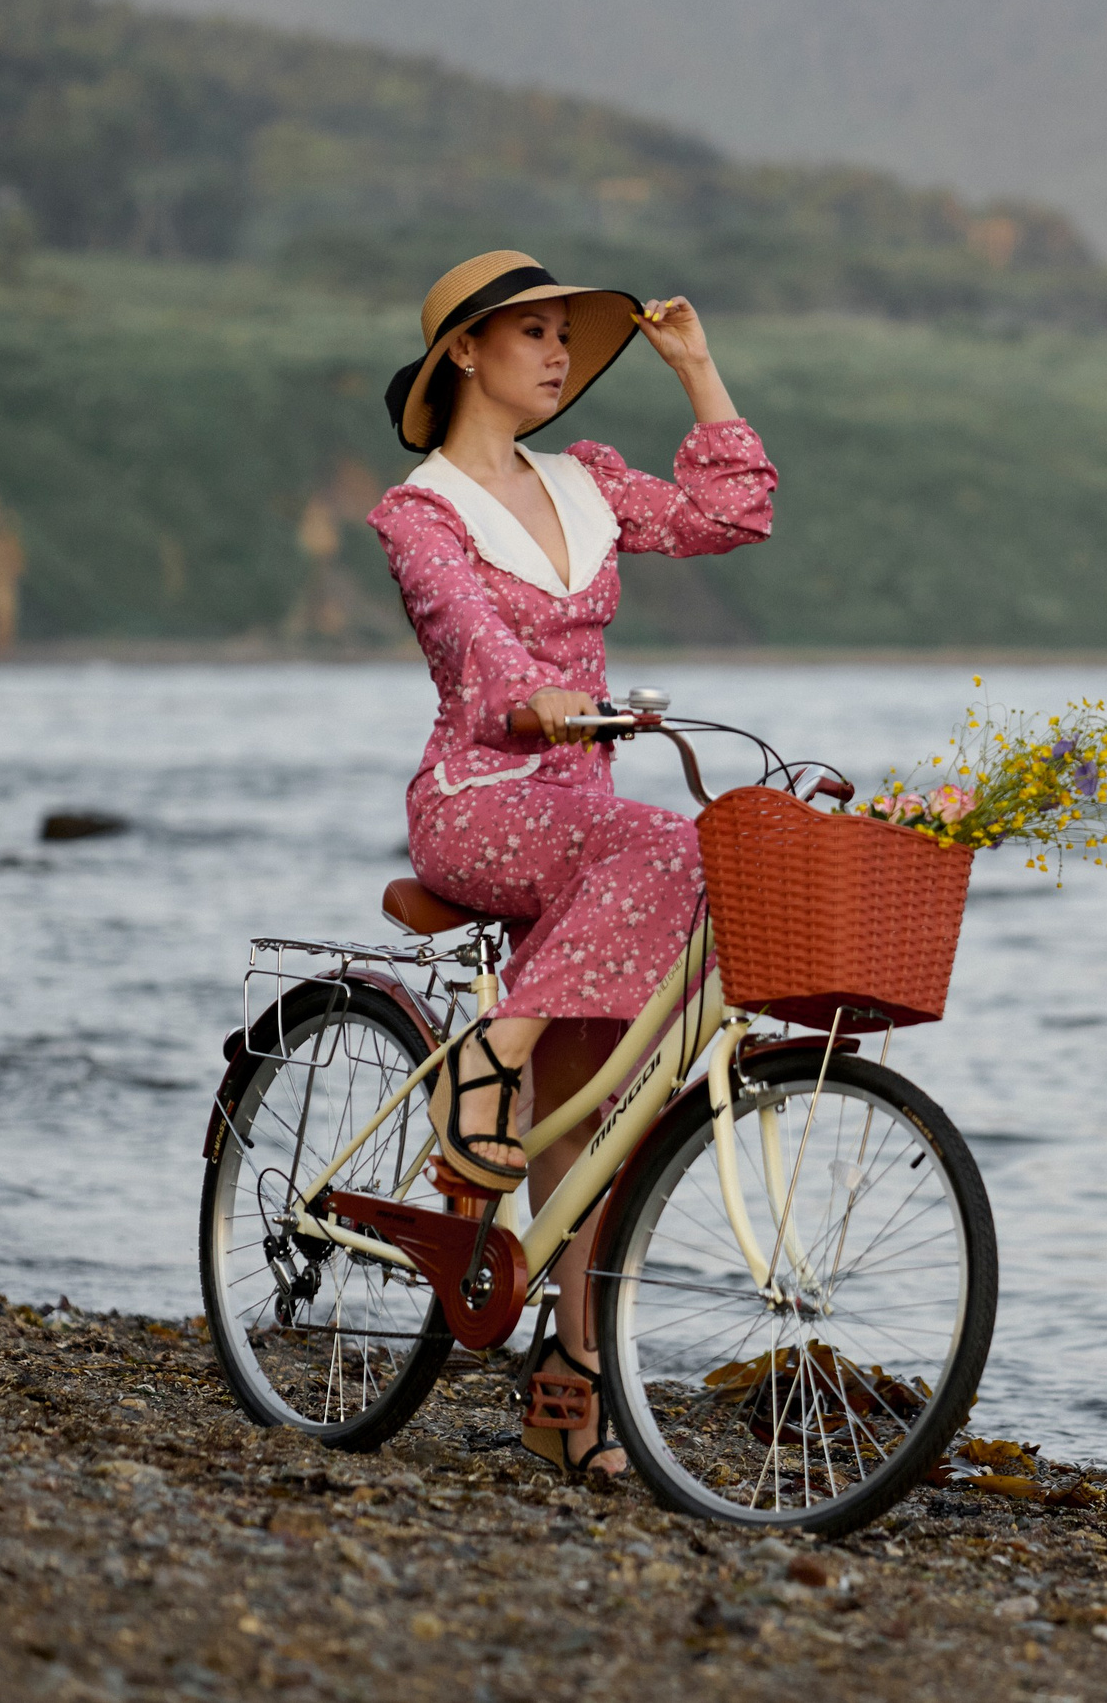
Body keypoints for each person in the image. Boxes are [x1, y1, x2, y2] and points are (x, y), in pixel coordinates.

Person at [366, 250, 777, 1480]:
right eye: (531, 333)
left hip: (588, 827)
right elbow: (465, 632)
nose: (556, 354)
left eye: (565, 335)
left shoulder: (587, 480)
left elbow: (728, 514)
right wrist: (530, 700)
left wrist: (698, 370)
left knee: (601, 1101)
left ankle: (572, 1381)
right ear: (463, 356)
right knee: (666, 842)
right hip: (479, 799)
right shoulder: (420, 509)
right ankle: (487, 1058)